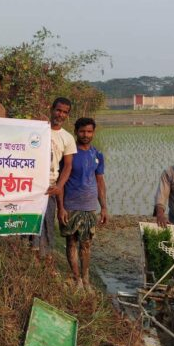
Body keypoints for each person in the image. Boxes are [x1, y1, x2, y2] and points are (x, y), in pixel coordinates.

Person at [60, 117, 107, 287]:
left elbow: (100, 181)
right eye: (82, 131)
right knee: (71, 242)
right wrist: (61, 207)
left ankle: (85, 279)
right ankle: (76, 277)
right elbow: (61, 182)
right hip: (71, 205)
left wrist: (104, 207)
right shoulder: (69, 155)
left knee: (86, 244)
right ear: (76, 132)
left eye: (89, 131)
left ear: (93, 132)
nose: (85, 135)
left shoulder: (97, 154)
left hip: (89, 207)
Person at [35, 97, 77, 258]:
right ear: (52, 109)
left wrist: (59, 186)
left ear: (67, 115)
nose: (60, 114)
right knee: (28, 225)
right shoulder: (38, 128)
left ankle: (44, 261)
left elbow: (68, 166)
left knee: (46, 227)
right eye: (58, 110)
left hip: (50, 188)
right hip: (31, 186)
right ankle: (27, 260)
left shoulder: (67, 138)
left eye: (65, 112)